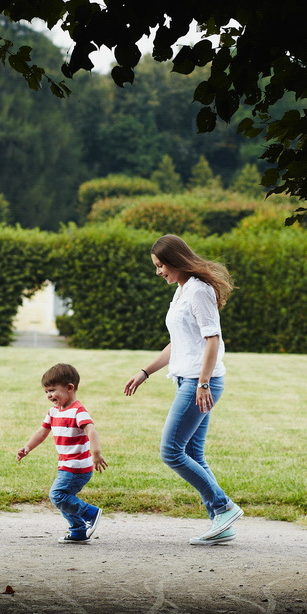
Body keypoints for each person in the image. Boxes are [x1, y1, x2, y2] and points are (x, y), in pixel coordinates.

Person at [123, 234, 242, 546]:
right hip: (189, 379)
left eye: (161, 265)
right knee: (192, 452)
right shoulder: (181, 292)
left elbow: (212, 339)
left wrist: (203, 383)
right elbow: (179, 342)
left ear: (176, 261)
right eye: (157, 266)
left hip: (199, 382)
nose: (159, 271)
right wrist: (145, 371)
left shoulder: (199, 292)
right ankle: (221, 523)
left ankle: (224, 506)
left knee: (171, 451)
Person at [17, 363, 107, 543]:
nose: (49, 395)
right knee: (64, 499)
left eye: (52, 390)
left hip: (77, 466)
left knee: (58, 495)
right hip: (66, 464)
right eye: (46, 392)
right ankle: (78, 531)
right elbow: (41, 432)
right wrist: (27, 447)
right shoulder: (53, 412)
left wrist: (96, 453)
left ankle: (91, 512)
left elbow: (92, 431)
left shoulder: (78, 411)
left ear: (69, 388)